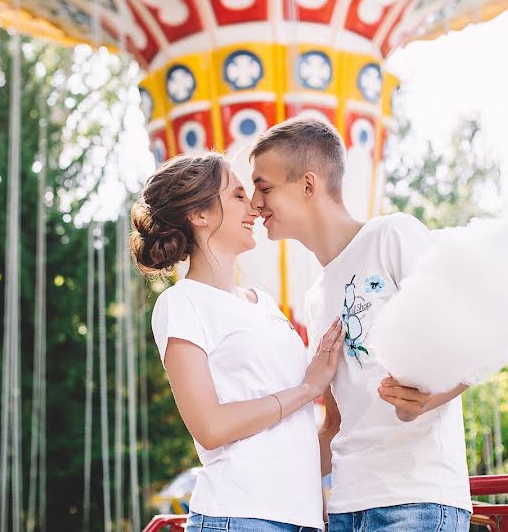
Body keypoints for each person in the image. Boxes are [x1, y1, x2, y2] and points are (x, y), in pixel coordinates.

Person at [249, 117, 472, 532]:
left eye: (264, 188)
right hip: (345, 509)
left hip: (416, 502)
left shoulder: (394, 236)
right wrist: (250, 477)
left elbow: (471, 342)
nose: (255, 204)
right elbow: (335, 424)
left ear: (308, 185)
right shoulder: (315, 298)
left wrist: (431, 395)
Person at [130, 152, 345, 532]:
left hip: (302, 518)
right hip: (240, 515)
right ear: (199, 214)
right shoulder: (182, 302)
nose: (255, 207)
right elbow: (210, 427)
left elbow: (289, 431)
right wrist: (309, 388)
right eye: (238, 196)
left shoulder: (262, 303)